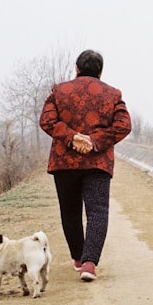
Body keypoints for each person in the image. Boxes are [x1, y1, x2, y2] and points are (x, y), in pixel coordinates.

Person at [39, 49, 131, 282]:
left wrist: (71, 137)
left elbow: (47, 120)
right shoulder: (112, 94)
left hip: (64, 163)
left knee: (70, 211)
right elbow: (124, 125)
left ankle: (79, 258)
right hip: (97, 162)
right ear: (100, 71)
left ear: (77, 68)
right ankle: (90, 264)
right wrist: (94, 141)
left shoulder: (59, 91)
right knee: (97, 212)